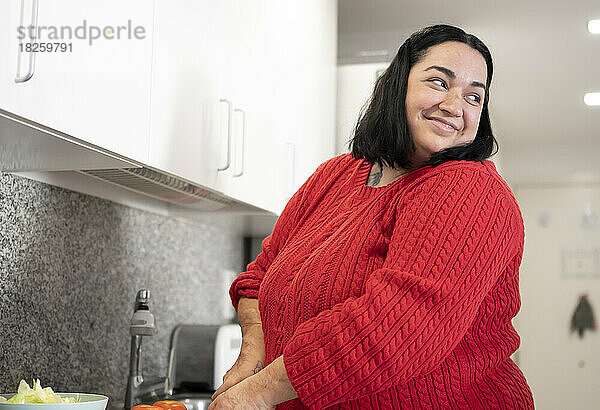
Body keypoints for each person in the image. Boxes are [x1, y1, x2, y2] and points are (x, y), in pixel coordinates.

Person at [208, 24, 535, 409]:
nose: (454, 106)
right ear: (398, 85)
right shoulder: (337, 175)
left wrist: (257, 395)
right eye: (439, 82)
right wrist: (251, 358)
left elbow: (399, 329)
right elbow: (259, 277)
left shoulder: (470, 190)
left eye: (473, 97)